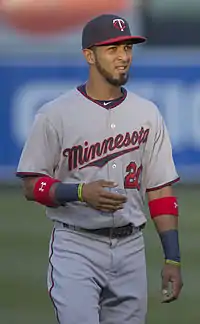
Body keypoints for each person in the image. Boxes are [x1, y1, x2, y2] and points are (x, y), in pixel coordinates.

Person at [16, 14, 183, 324]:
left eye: (128, 48)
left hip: (131, 247)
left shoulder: (147, 113)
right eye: (113, 49)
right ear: (89, 55)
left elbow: (160, 190)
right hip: (76, 245)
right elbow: (31, 185)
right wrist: (79, 192)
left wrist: (172, 257)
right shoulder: (56, 113)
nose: (123, 57)